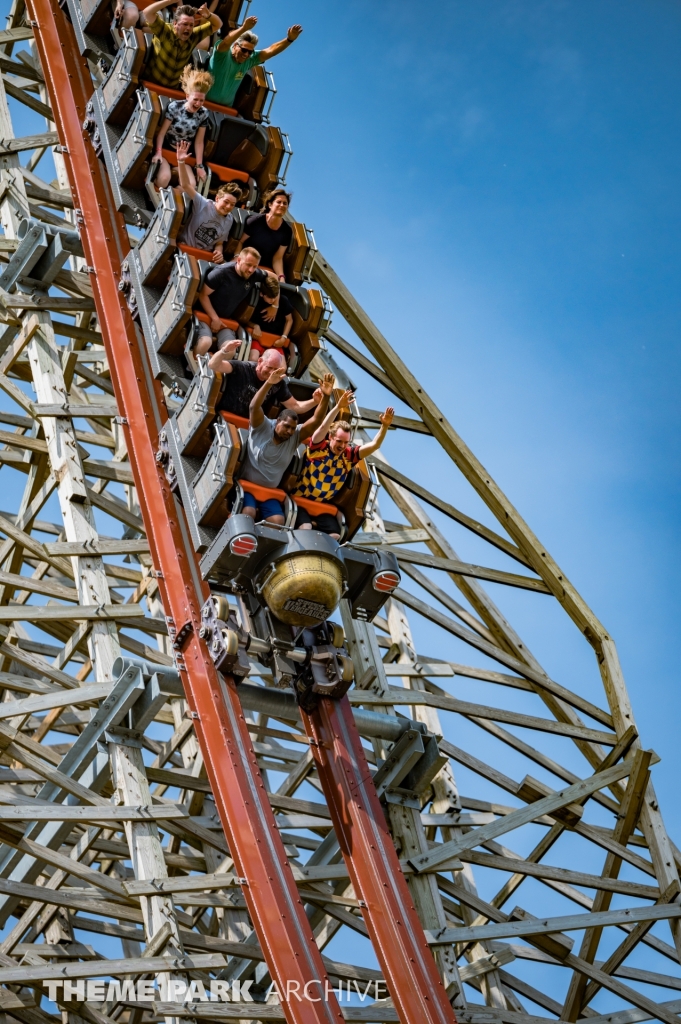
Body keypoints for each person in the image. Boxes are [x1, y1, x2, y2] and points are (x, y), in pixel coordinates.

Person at [239, 368, 334, 525]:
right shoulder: (262, 426)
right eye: (287, 426)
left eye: (292, 428)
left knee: (278, 520)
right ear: (277, 421)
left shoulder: (295, 436)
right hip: (247, 487)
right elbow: (254, 407)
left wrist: (326, 397)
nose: (289, 431)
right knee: (248, 512)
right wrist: (269, 383)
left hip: (269, 493)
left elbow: (316, 421)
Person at [293, 401, 395, 539]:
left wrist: (384, 426)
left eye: (346, 442)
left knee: (335, 536)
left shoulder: (348, 456)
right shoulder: (319, 448)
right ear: (331, 437)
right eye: (339, 441)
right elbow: (323, 426)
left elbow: (374, 445)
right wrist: (337, 408)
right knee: (306, 527)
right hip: (300, 500)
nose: (342, 446)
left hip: (322, 506)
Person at [207, 16, 303, 109]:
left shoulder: (249, 60)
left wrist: (289, 40)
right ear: (236, 45)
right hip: (203, 103)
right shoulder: (222, 54)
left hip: (225, 110)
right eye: (244, 50)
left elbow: (271, 51)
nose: (246, 54)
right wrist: (243, 28)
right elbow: (226, 43)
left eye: (250, 52)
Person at [209, 347, 323, 418]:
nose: (271, 373)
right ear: (259, 361)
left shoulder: (278, 382)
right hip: (225, 416)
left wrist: (315, 401)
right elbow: (213, 365)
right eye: (269, 367)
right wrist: (224, 351)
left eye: (275, 369)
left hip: (250, 424)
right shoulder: (243, 367)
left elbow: (294, 406)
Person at [194, 247, 269, 355]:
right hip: (205, 315)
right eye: (248, 265)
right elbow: (203, 295)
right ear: (238, 260)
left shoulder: (253, 274)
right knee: (206, 342)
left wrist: (274, 304)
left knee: (231, 350)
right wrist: (214, 318)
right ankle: (191, 368)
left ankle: (214, 368)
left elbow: (272, 276)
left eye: (255, 266)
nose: (251, 270)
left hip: (226, 321)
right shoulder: (221, 273)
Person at [176, 140, 239, 260]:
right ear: (217, 198)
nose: (228, 207)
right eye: (226, 202)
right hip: (186, 251)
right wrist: (181, 161)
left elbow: (219, 243)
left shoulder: (229, 219)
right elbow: (185, 185)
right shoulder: (203, 204)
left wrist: (219, 252)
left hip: (203, 257)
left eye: (232, 205)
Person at [152, 67, 213, 189]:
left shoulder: (203, 113)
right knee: (164, 179)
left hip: (184, 155)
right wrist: (158, 152)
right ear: (187, 96)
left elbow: (199, 141)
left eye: (201, 100)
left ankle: (172, 202)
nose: (198, 104)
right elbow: (162, 133)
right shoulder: (175, 107)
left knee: (190, 187)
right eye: (195, 99)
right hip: (167, 150)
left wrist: (199, 165)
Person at [141, 1, 222, 89]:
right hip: (151, 84)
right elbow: (147, 13)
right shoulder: (166, 31)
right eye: (185, 24)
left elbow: (218, 24)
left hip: (173, 89)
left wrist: (209, 15)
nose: (188, 28)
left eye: (191, 25)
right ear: (175, 24)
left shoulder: (193, 36)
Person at [237, 189, 293, 282]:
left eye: (285, 203)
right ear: (270, 204)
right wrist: (237, 257)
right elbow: (240, 242)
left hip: (264, 269)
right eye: (279, 202)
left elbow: (277, 258)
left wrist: (281, 277)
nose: (282, 205)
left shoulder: (287, 231)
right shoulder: (255, 221)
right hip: (246, 262)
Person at [248, 276, 293, 359]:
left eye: (275, 297)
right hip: (258, 338)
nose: (273, 300)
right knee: (253, 358)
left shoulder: (283, 301)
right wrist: (255, 326)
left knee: (282, 367)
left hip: (276, 341)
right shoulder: (255, 300)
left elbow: (289, 320)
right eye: (270, 298)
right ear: (262, 294)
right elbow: (245, 319)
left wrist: (284, 337)